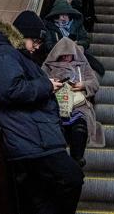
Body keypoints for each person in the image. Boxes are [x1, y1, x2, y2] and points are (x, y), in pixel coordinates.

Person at [0, 11, 84, 214]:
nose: (37, 46)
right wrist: (46, 85)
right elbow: (9, 90)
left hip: (35, 137)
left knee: (38, 201)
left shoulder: (13, 55)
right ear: (21, 35)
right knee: (72, 179)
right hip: (31, 139)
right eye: (35, 40)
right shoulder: (3, 54)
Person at [42, 37, 105, 167]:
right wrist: (51, 85)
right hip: (57, 104)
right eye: (63, 55)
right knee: (57, 128)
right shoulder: (48, 66)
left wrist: (83, 85)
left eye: (68, 55)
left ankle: (77, 158)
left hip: (78, 104)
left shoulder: (82, 64)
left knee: (80, 125)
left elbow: (94, 83)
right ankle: (61, 161)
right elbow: (40, 82)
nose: (66, 58)